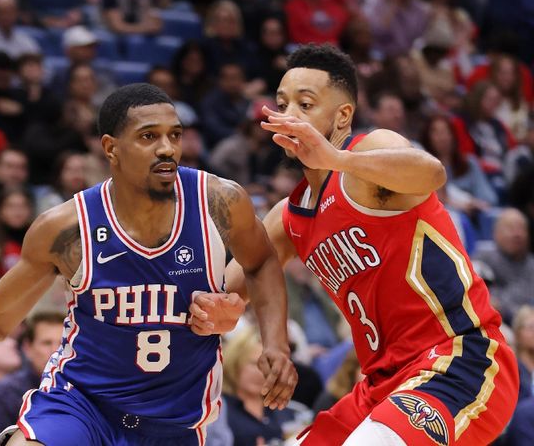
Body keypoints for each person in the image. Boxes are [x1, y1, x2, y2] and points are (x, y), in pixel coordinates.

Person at [0, 83, 297, 446]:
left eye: (173, 135)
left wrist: (275, 342)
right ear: (110, 148)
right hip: (83, 403)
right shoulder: (66, 228)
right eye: (148, 137)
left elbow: (260, 263)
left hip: (174, 419)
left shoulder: (219, 201)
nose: (166, 149)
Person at [192, 45, 519, 444]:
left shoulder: (368, 153)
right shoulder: (287, 217)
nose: (289, 114)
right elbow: (231, 289)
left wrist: (335, 159)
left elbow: (431, 173)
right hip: (381, 384)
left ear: (342, 115)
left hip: (458, 359)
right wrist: (221, 310)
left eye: (305, 104)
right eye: (281, 104)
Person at [0, 311, 66, 446]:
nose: (56, 351)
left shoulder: (84, 389)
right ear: (27, 348)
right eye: (46, 343)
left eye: (63, 344)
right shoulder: (5, 393)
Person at [473, 208, 534, 323]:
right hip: (495, 323)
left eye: (521, 229)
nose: (517, 234)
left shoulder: (532, 265)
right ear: (496, 233)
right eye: (511, 228)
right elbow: (474, 296)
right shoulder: (483, 258)